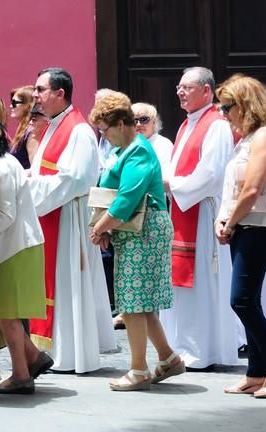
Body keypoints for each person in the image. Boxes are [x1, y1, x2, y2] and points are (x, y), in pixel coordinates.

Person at [89, 90, 183, 390]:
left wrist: (100, 228)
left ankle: (139, 370)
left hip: (144, 229)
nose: (104, 135)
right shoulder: (122, 151)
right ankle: (168, 359)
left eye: (105, 129)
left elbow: (126, 200)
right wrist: (107, 227)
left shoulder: (138, 151)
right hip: (132, 230)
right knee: (140, 303)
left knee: (132, 303)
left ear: (120, 123)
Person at [27, 67, 115, 373]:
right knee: (58, 284)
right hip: (53, 212)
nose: (34, 95)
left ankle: (71, 354)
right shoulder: (54, 125)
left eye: (40, 89)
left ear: (59, 93)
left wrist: (29, 191)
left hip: (68, 217)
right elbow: (45, 172)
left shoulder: (77, 129)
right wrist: (29, 180)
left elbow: (75, 179)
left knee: (68, 285)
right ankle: (54, 350)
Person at [160, 66, 240, 370]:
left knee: (203, 284)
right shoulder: (186, 125)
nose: (180, 92)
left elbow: (211, 175)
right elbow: (175, 165)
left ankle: (203, 350)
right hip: (182, 209)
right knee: (182, 287)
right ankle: (182, 346)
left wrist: (173, 186)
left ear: (206, 91)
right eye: (179, 87)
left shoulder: (217, 125)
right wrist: (168, 181)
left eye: (187, 87)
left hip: (203, 213)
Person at [214, 74, 266, 397]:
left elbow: (253, 188)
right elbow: (230, 190)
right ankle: (256, 371)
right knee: (247, 300)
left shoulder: (264, 137)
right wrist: (222, 219)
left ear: (244, 105)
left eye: (227, 106)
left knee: (241, 300)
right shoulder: (244, 140)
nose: (224, 113)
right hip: (242, 226)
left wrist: (229, 222)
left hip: (260, 226)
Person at [0, 114, 50, 395]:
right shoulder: (0, 164)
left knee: (6, 314)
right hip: (8, 246)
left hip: (15, 246)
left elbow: (5, 214)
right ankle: (33, 356)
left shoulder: (1, 167)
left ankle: (21, 375)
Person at [131, 102, 173, 175]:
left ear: (154, 122)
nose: (139, 124)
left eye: (144, 119)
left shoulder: (163, 144)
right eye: (134, 120)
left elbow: (165, 177)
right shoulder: (126, 145)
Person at [9, 85, 37, 169]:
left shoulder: (31, 132)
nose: (11, 106)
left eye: (14, 103)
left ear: (27, 105)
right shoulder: (23, 130)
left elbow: (34, 168)